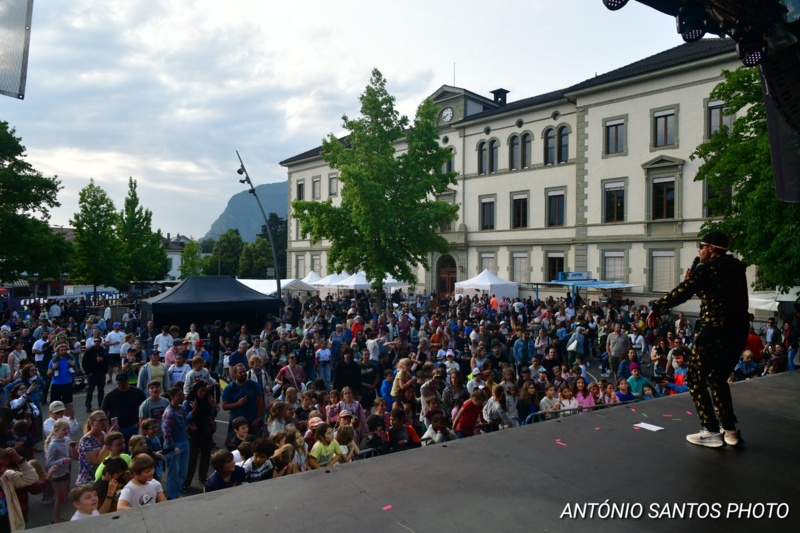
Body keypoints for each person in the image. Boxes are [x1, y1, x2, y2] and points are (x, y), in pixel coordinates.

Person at [647, 231, 749, 448]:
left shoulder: (707, 268)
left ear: (711, 249)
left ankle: (710, 429)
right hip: (738, 332)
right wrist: (693, 281)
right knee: (718, 378)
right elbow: (716, 296)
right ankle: (730, 431)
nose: (699, 251)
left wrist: (657, 306)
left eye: (701, 246)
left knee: (694, 377)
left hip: (715, 331)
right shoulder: (736, 268)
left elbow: (682, 293)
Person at [184, 380, 218, 489]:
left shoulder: (208, 400)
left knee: (206, 456)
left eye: (204, 391)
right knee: (192, 458)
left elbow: (213, 414)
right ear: (196, 391)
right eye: (201, 391)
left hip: (206, 431)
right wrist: (193, 411)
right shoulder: (188, 402)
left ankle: (202, 477)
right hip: (193, 433)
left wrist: (213, 406)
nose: (203, 393)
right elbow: (185, 419)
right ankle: (187, 481)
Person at [101, 373, 146, 446]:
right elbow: (103, 413)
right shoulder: (110, 395)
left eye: (123, 383)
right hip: (116, 429)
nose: (120, 385)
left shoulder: (138, 392)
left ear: (128, 381)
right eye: (119, 383)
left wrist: (138, 424)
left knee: (133, 447)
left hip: (133, 426)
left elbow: (144, 409)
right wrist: (108, 427)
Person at [222, 364, 265, 438]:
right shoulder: (229, 388)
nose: (243, 374)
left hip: (253, 422)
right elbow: (224, 406)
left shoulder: (254, 385)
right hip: (236, 423)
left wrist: (258, 419)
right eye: (240, 372)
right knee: (235, 443)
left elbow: (260, 402)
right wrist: (237, 404)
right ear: (235, 374)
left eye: (244, 371)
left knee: (255, 443)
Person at [161, 387, 189, 500]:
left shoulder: (182, 408)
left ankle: (179, 492)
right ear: (172, 397)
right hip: (173, 445)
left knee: (183, 471)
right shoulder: (169, 413)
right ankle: (172, 495)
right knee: (173, 473)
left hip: (184, 442)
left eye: (182, 394)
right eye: (179, 395)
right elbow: (166, 432)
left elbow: (186, 422)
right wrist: (172, 447)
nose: (182, 397)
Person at [82, 338, 108, 413]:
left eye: (98, 341)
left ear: (100, 342)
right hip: (92, 374)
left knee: (101, 391)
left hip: (101, 374)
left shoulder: (104, 351)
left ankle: (101, 405)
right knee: (90, 390)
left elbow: (108, 362)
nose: (96, 342)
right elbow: (84, 363)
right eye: (95, 341)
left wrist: (103, 362)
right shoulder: (89, 351)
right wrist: (88, 373)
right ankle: (88, 406)